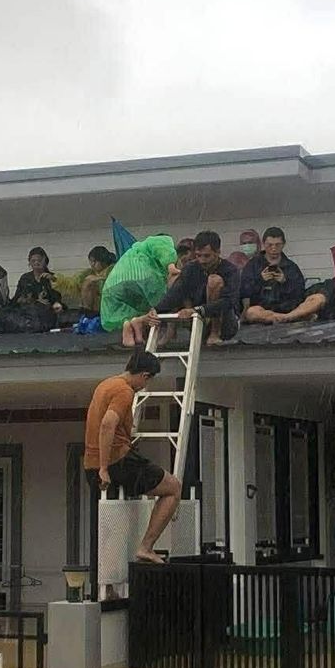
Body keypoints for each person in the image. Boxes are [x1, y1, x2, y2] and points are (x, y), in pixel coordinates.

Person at [83, 349, 183, 565]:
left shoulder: (105, 384)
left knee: (111, 524)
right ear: (144, 375)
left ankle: (108, 573)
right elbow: (107, 424)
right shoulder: (124, 391)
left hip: (90, 463)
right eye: (148, 381)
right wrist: (104, 468)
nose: (145, 387)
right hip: (116, 461)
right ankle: (146, 547)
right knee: (173, 488)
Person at [132, 230, 240, 347]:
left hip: (225, 324)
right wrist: (156, 310)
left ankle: (214, 334)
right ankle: (171, 332)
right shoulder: (191, 268)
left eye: (206, 256)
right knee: (175, 280)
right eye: (198, 255)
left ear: (218, 252)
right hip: (199, 320)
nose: (202, 260)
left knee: (214, 280)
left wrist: (197, 310)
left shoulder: (231, 270)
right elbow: (176, 292)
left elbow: (228, 301)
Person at [97, 235, 179, 347]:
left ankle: (130, 327)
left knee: (130, 313)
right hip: (141, 276)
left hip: (115, 283)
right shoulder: (161, 242)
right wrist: (171, 265)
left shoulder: (132, 252)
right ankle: (142, 323)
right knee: (157, 307)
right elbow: (161, 246)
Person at [240, 227, 309, 324]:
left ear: (283, 244)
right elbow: (244, 292)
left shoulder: (291, 267)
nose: (273, 248)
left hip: (286, 309)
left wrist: (285, 282)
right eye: (270, 245)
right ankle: (282, 318)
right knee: (251, 312)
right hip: (261, 310)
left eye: (278, 245)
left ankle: (278, 318)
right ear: (264, 244)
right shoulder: (253, 265)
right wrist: (260, 280)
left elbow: (300, 294)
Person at [12, 247, 64, 315]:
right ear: (30, 262)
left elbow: (58, 299)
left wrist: (53, 280)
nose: (36, 263)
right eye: (33, 261)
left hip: (48, 312)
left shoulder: (53, 277)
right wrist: (35, 301)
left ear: (45, 261)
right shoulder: (25, 278)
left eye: (39, 260)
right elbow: (17, 299)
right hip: (28, 313)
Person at [77, 246, 116, 315]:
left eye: (94, 261)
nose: (92, 264)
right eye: (90, 261)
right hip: (91, 307)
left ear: (103, 261)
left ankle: (89, 312)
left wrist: (96, 279)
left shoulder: (112, 269)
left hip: (106, 305)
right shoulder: (89, 272)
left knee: (90, 281)